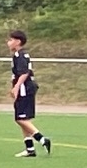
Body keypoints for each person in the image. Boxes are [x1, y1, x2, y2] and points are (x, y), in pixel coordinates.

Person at [7, 29, 53, 157]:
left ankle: (42, 139)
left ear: (18, 42)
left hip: (24, 89)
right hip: (27, 88)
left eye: (11, 40)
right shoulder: (22, 54)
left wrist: (16, 87)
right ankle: (30, 149)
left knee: (20, 119)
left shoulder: (19, 55)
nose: (8, 43)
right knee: (24, 119)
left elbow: (24, 73)